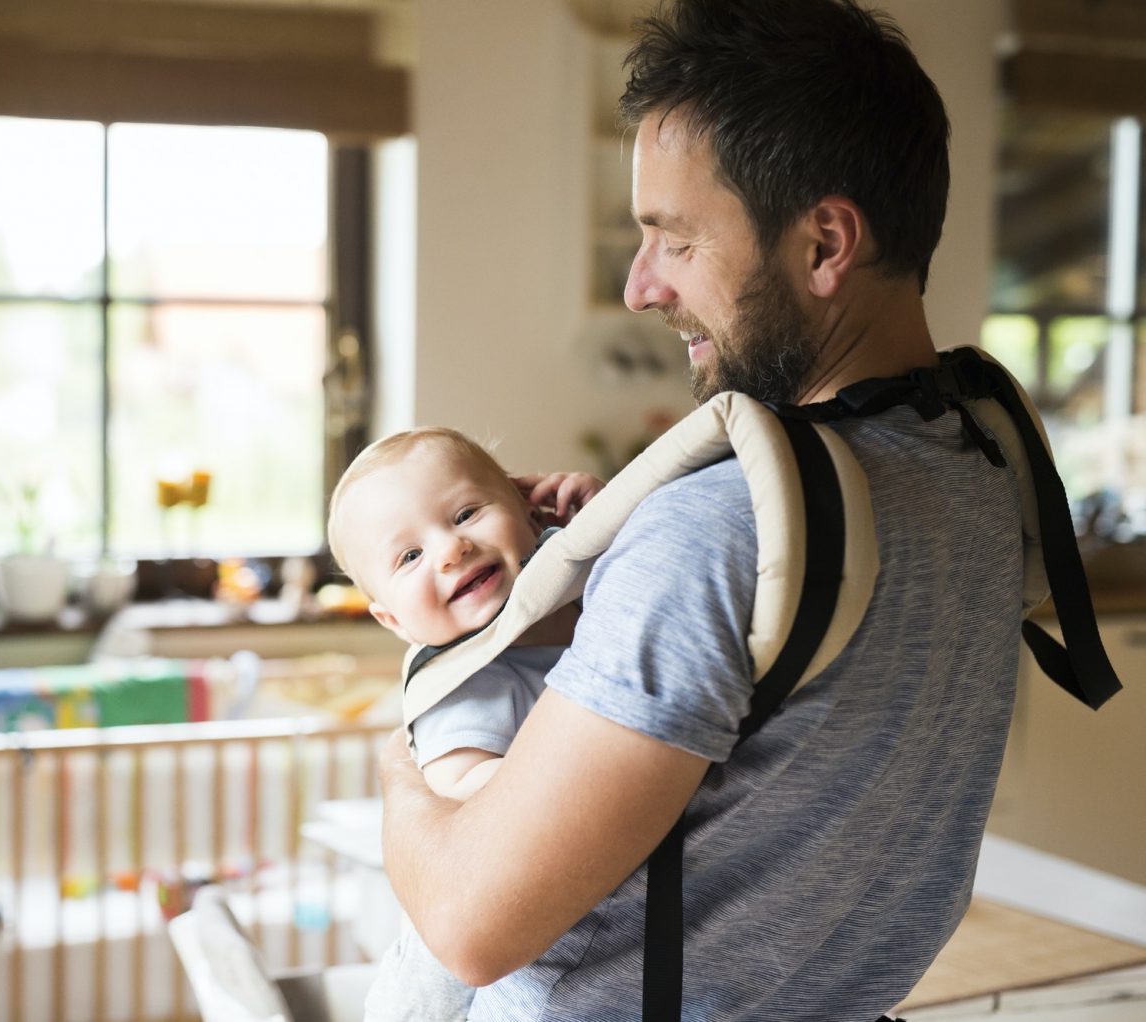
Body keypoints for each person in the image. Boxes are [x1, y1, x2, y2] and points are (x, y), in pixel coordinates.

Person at [375, 1, 1025, 1019]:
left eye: (673, 241)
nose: (640, 287)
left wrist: (403, 760)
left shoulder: (717, 529)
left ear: (825, 242)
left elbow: (469, 923)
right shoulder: (983, 473)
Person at [325, 427, 603, 1022]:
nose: (451, 549)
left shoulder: (583, 577)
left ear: (529, 510)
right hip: (446, 973)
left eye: (466, 513)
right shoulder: (462, 681)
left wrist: (600, 511)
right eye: (409, 557)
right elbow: (461, 789)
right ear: (393, 620)